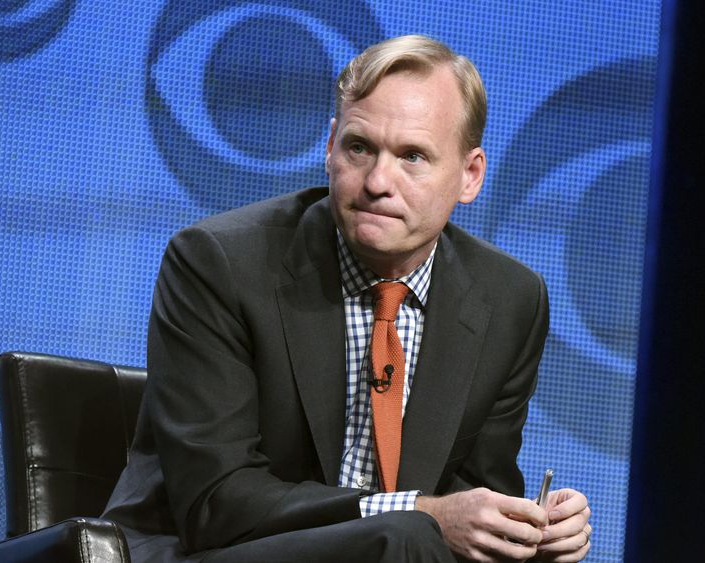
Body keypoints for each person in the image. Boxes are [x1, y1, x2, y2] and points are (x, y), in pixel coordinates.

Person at [103, 34, 592, 562]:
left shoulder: (510, 300)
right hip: (207, 550)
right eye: (360, 147)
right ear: (331, 146)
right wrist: (417, 514)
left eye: (412, 157)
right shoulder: (218, 264)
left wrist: (526, 533)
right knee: (405, 538)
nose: (378, 181)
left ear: (469, 175)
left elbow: (471, 497)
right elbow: (216, 502)